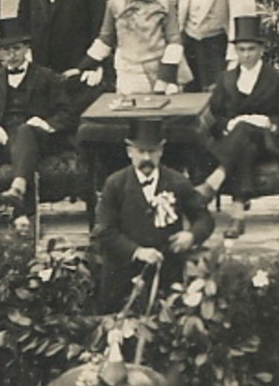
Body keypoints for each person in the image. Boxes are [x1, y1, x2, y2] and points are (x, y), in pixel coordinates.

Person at [195, 15, 279, 240]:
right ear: (235, 51)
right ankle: (238, 217)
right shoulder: (226, 79)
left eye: (251, 49)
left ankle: (214, 180)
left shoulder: (278, 79)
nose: (246, 55)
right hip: (238, 143)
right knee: (244, 143)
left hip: (270, 141)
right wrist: (229, 124)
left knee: (246, 131)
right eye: (242, 49)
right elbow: (215, 115)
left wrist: (268, 122)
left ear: (261, 50)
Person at [90, 121, 214, 313]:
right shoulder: (115, 184)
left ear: (161, 151)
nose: (146, 158)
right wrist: (137, 251)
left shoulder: (177, 181)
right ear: (129, 151)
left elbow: (204, 218)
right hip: (122, 275)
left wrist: (191, 236)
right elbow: (104, 231)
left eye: (152, 151)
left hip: (167, 274)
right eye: (140, 151)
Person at [0, 17, 74, 209]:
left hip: (41, 141)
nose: (12, 55)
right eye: (7, 50)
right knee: (20, 136)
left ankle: (18, 188)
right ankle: (21, 201)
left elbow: (66, 113)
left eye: (16, 49)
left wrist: (46, 124)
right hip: (4, 144)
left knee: (26, 130)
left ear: (26, 49)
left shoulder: (46, 77)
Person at [76, 0, 170, 94]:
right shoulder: (115, 2)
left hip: (158, 70)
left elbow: (174, 40)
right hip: (127, 71)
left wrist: (168, 76)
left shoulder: (163, 1)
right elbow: (105, 39)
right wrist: (84, 66)